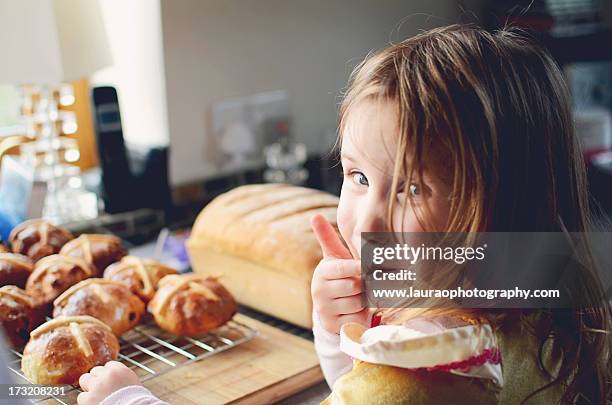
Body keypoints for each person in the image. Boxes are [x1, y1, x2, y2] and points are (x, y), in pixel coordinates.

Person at [310, 24, 610, 404]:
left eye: (412, 189)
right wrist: (348, 330)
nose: (368, 223)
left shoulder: (419, 372)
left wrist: (337, 339)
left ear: (502, 198)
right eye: (359, 177)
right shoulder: (546, 306)